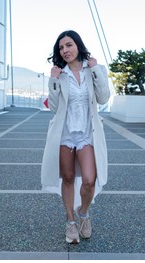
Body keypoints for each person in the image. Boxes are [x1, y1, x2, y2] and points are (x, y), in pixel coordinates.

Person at [41, 30, 110, 244]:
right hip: (64, 134)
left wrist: (96, 70)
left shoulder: (93, 71)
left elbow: (103, 97)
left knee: (89, 179)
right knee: (68, 177)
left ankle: (83, 213)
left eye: (69, 45)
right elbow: (53, 107)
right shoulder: (59, 75)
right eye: (61, 48)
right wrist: (52, 81)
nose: (65, 50)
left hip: (87, 133)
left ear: (78, 45)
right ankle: (70, 222)